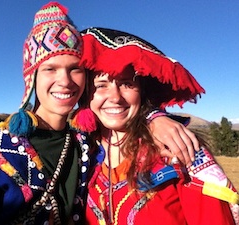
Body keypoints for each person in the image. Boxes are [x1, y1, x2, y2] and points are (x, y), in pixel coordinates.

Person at [0, 3, 201, 225]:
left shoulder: (86, 144)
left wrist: (154, 118)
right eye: (50, 69)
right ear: (31, 78)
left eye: (75, 69)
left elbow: (124, 122)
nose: (65, 81)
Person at [70, 27, 239, 224]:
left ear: (142, 92)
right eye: (101, 86)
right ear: (85, 95)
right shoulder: (80, 153)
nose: (115, 97)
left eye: (126, 84)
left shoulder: (178, 149)